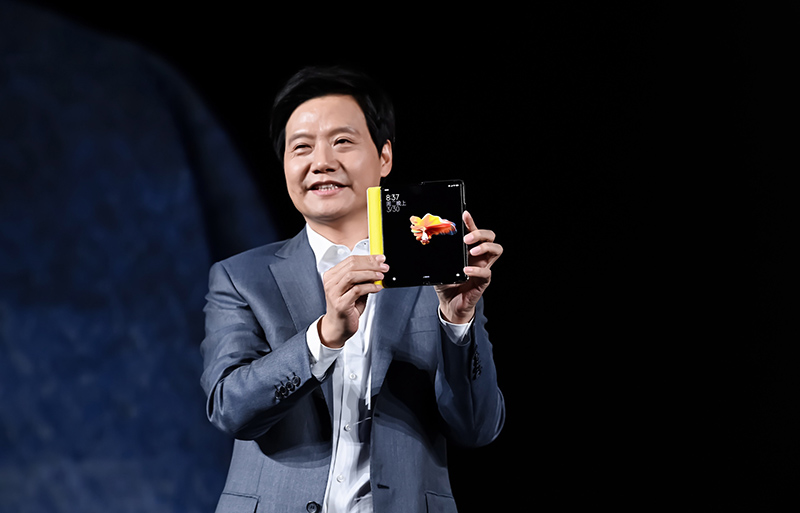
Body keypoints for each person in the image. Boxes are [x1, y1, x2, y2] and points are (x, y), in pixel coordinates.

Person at [200, 66, 505, 513]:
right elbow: (229, 409)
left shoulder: (437, 270)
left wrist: (458, 321)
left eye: (342, 141)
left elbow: (477, 428)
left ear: (384, 157)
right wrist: (323, 337)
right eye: (301, 147)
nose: (321, 161)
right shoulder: (240, 277)